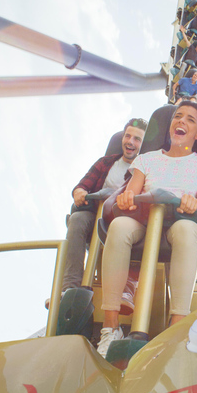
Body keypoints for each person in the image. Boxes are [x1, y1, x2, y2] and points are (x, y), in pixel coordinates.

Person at [97, 102, 197, 357]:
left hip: (181, 217)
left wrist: (193, 202)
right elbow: (132, 189)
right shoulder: (147, 159)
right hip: (145, 216)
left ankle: (177, 329)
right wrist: (127, 198)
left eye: (190, 120)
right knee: (119, 226)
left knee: (186, 231)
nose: (181, 122)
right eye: (178, 117)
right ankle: (110, 327)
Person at [61, 118, 148, 313]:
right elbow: (82, 186)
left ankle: (127, 289)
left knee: (134, 229)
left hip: (128, 220)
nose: (130, 142)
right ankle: (70, 288)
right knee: (77, 219)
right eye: (127, 136)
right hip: (98, 217)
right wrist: (80, 192)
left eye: (137, 139)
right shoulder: (106, 162)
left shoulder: (146, 168)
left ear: (143, 144)